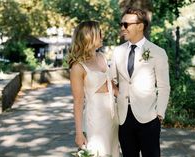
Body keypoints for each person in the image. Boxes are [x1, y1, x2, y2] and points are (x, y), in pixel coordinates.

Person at [111, 8, 170, 157]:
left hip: (149, 118)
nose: (122, 28)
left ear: (140, 26)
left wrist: (159, 114)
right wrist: (120, 95)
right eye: (121, 24)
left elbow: (164, 86)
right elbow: (111, 81)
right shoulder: (118, 51)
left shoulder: (157, 52)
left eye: (126, 24)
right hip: (124, 118)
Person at [68, 21, 119, 157]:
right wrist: (79, 133)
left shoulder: (102, 57)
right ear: (89, 36)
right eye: (99, 34)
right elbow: (78, 102)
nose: (102, 36)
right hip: (95, 120)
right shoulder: (77, 67)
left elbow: (112, 87)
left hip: (113, 117)